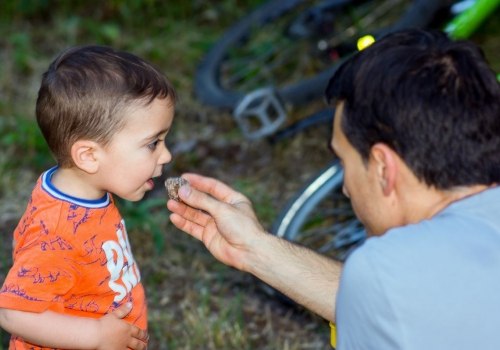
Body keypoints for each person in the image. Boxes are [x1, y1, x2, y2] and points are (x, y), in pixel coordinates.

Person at [167, 29, 500, 349]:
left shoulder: (386, 272)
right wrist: (253, 248)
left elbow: (390, 294)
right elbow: (405, 302)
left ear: (383, 168)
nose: (345, 189)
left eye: (344, 162)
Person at [0, 45, 176, 349]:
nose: (167, 154)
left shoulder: (74, 188)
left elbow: (22, 242)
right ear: (88, 156)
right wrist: (96, 337)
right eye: (152, 144)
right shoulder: (57, 230)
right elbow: (12, 312)